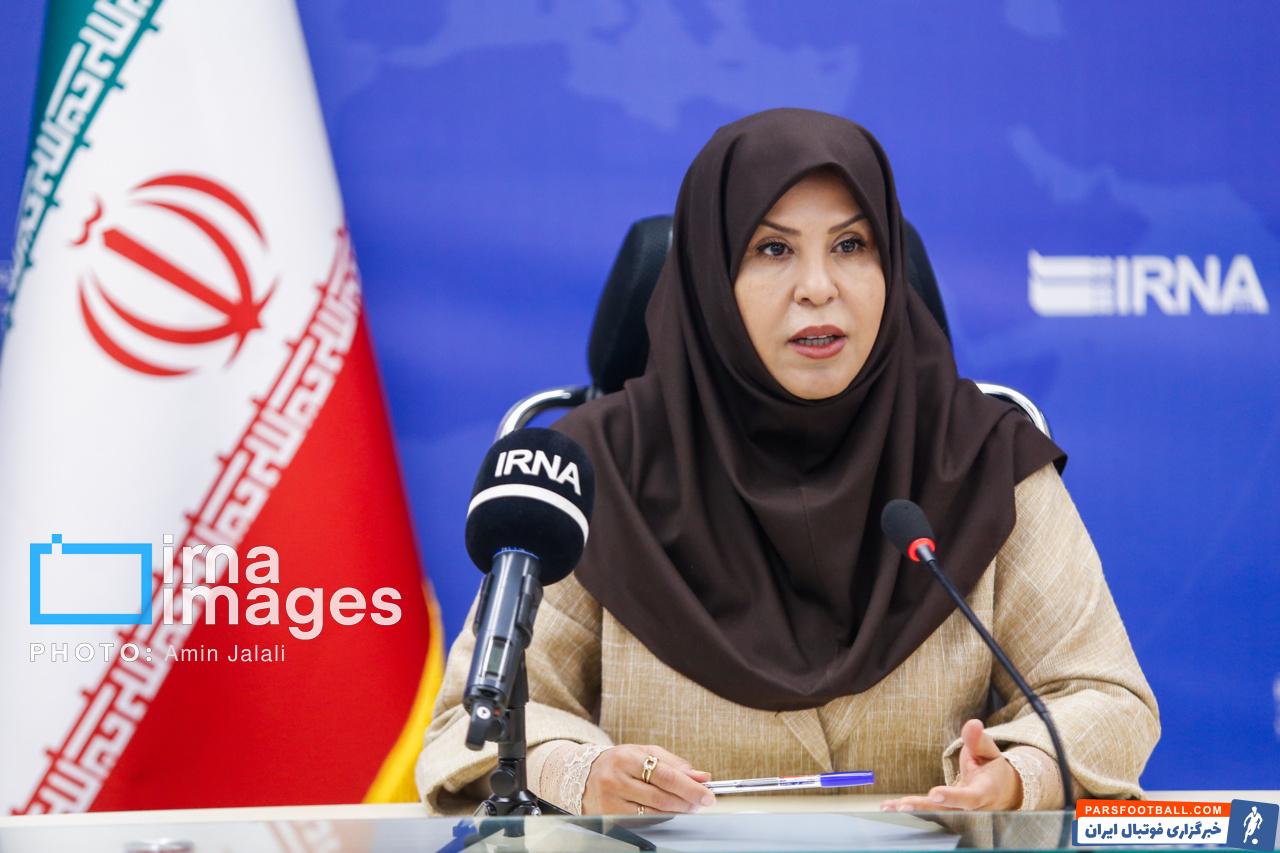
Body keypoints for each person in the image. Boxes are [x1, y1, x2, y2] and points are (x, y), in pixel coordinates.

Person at [416, 108, 1159, 816]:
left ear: (890, 267)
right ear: (710, 277)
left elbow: (1103, 697)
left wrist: (1017, 775)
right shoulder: (603, 464)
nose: (819, 288)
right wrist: (580, 774)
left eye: (851, 246)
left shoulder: (979, 456)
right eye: (773, 249)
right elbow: (471, 723)